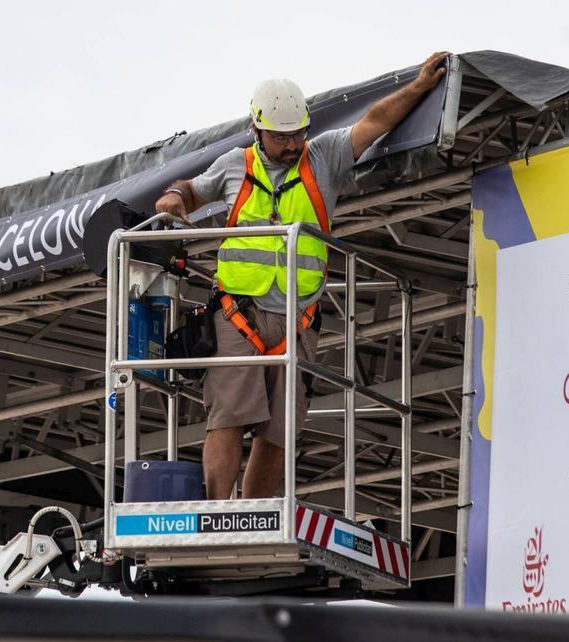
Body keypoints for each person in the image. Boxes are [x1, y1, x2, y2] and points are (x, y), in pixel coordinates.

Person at [155, 52, 450, 500]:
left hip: (297, 320)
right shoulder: (236, 165)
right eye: (281, 138)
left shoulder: (323, 156)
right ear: (257, 131)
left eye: (298, 135)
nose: (292, 146)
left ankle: (253, 515)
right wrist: (174, 197)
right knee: (228, 418)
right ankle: (218, 513)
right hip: (239, 314)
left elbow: (374, 122)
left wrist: (420, 86)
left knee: (277, 432)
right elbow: (193, 190)